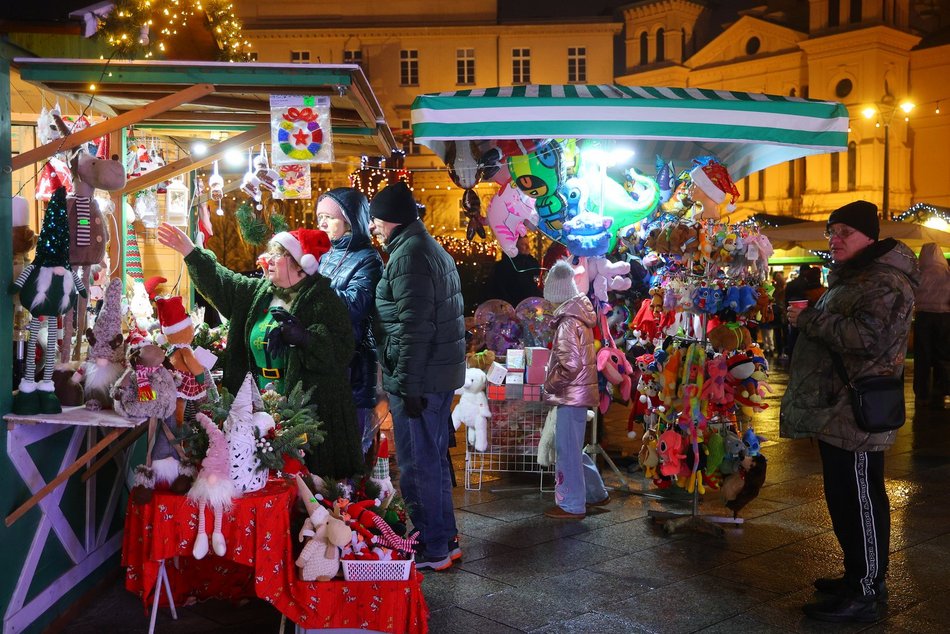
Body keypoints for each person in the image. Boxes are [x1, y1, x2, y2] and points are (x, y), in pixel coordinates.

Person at [780, 200, 918, 623]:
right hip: (835, 408)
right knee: (843, 498)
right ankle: (855, 574)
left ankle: (866, 590)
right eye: (832, 231)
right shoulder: (856, 276)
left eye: (845, 232)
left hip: (857, 409)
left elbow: (866, 339)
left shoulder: (885, 281)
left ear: (869, 237)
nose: (834, 239)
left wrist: (810, 321)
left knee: (860, 499)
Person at [156, 222, 364, 479]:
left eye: (277, 255)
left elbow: (341, 350)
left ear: (299, 264)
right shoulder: (258, 293)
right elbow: (223, 282)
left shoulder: (323, 300)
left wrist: (305, 338)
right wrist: (191, 252)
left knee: (302, 482)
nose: (268, 261)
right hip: (254, 405)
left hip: (305, 413)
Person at [369, 181, 466, 571]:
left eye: (376, 221)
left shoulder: (409, 255)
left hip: (420, 379)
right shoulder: (426, 247)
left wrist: (407, 386)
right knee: (434, 460)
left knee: (417, 465)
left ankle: (432, 548)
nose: (374, 227)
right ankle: (445, 539)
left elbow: (414, 327)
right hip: (437, 376)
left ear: (389, 221)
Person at [540, 259, 610, 520]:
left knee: (567, 451)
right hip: (578, 393)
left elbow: (569, 364)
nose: (547, 303)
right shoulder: (579, 317)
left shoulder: (568, 322)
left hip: (571, 394)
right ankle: (595, 493)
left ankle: (571, 504)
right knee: (572, 447)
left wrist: (549, 384)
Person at [316, 188, 384, 451]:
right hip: (328, 359)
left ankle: (354, 490)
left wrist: (315, 285)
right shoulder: (326, 256)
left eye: (329, 217)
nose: (322, 223)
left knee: (352, 443)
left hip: (355, 360)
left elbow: (356, 305)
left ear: (349, 221)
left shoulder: (368, 259)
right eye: (320, 216)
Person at [912, 242, 950, 407]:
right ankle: (944, 387)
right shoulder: (946, 273)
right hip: (944, 316)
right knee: (943, 354)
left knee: (923, 355)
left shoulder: (918, 274)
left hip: (923, 316)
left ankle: (922, 392)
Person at [485, 235, 541, 307]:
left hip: (532, 304)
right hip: (513, 304)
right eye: (523, 244)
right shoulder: (504, 266)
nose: (527, 247)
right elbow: (500, 288)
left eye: (528, 243)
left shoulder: (532, 262)